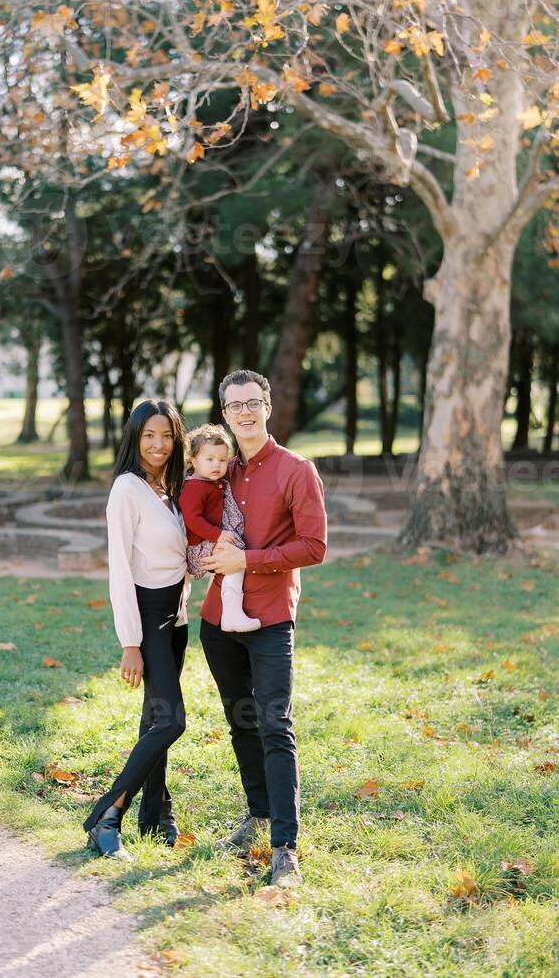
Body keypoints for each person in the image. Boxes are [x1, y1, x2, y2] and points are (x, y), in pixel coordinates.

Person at [199, 369, 327, 888]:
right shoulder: (217, 469)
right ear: (225, 413)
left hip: (271, 617)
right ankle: (257, 813)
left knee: (276, 725)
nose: (245, 413)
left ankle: (285, 848)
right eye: (234, 406)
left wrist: (247, 561)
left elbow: (314, 547)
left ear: (268, 406)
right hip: (216, 621)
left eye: (253, 403)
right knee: (241, 720)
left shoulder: (297, 470)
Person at [83, 399, 190, 860]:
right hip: (146, 619)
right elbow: (120, 571)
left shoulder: (169, 488)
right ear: (134, 438)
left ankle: (155, 813)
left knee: (154, 718)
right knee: (172, 720)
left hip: (177, 618)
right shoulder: (127, 489)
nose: (158, 444)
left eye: (167, 435)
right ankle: (107, 816)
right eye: (149, 435)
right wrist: (131, 641)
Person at [179, 423, 260, 633]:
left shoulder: (212, 482)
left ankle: (231, 611)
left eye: (223, 460)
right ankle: (232, 615)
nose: (217, 465)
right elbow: (192, 519)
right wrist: (219, 534)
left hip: (208, 541)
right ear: (193, 461)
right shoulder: (194, 487)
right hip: (198, 547)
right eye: (210, 460)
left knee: (236, 558)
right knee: (235, 559)